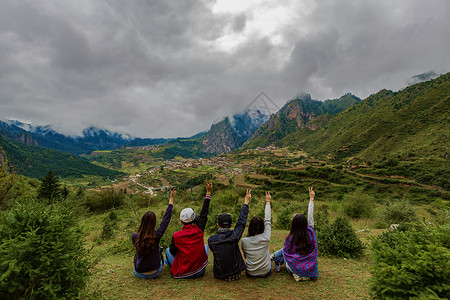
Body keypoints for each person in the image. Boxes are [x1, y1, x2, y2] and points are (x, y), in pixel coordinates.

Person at [165, 181, 212, 279]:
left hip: (184, 272)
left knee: (168, 250)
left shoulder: (176, 236)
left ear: (181, 221)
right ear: (194, 219)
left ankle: (168, 263)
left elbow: (173, 252)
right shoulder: (199, 230)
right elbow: (204, 214)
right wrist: (208, 193)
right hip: (200, 270)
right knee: (205, 246)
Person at [271, 186, 318, 281]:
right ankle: (274, 258)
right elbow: (311, 217)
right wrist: (311, 199)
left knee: (285, 252)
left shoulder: (291, 238)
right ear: (305, 224)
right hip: (310, 270)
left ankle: (273, 257)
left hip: (296, 269)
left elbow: (286, 251)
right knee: (286, 252)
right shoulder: (310, 233)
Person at [208, 189, 251, 281]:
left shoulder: (211, 240)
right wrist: (246, 203)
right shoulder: (235, 235)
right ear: (231, 225)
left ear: (217, 224)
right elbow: (241, 223)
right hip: (236, 273)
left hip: (219, 274)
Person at [131, 188, 175, 279]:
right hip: (155, 272)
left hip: (139, 273)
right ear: (154, 223)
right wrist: (171, 199)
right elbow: (165, 221)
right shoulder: (157, 235)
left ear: (142, 221)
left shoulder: (135, 237)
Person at [241, 191, 272, 278]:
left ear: (250, 227)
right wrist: (268, 202)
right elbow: (268, 220)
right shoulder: (266, 237)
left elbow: (245, 255)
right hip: (266, 271)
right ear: (263, 227)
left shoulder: (244, 241)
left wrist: (246, 202)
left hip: (251, 273)